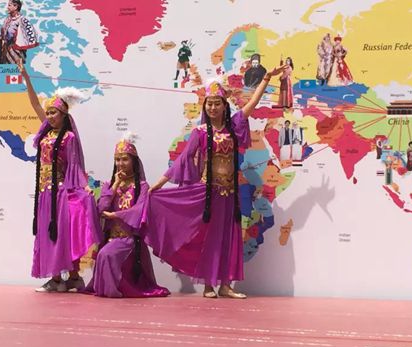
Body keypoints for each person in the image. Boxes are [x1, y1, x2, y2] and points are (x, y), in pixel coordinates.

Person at [147, 63, 285, 299]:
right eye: (209, 104)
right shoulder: (200, 132)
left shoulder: (234, 127)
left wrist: (266, 78)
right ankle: (208, 286)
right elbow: (184, 158)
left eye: (216, 103)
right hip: (208, 194)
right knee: (208, 239)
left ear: (224, 106)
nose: (212, 107)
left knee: (229, 239)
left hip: (230, 194)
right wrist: (159, 184)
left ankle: (226, 285)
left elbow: (251, 105)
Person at [19, 61, 101, 292]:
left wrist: (83, 188)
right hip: (44, 193)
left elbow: (75, 166)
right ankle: (57, 279)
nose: (49, 116)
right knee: (48, 235)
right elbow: (34, 103)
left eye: (53, 112)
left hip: (61, 192)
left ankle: (71, 277)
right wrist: (26, 77)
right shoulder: (46, 133)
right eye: (48, 113)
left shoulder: (68, 138)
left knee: (63, 234)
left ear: (64, 114)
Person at [85, 133, 170, 298]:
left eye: (125, 159)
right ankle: (108, 290)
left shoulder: (142, 186)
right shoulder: (109, 185)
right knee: (104, 253)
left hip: (130, 239)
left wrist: (115, 215)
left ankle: (112, 291)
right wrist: (116, 184)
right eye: (117, 159)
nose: (120, 163)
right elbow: (101, 208)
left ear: (133, 161)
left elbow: (139, 210)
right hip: (111, 238)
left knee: (106, 254)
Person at [0, 0, 39, 64]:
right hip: (5, 51)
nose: (7, 7)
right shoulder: (7, 19)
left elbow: (27, 36)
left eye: (9, 5)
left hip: (16, 52)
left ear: (16, 7)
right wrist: (1, 38)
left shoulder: (22, 20)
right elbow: (4, 34)